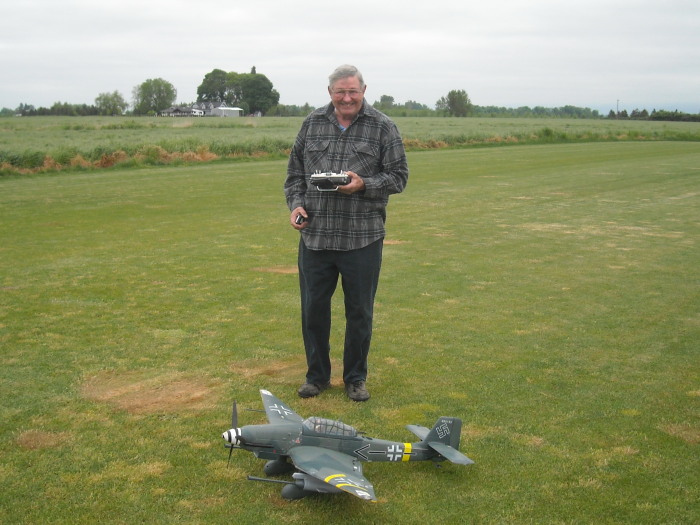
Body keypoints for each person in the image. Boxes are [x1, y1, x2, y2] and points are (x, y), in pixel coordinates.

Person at [284, 65, 409, 401]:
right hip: (316, 237)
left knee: (359, 313)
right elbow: (294, 175)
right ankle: (317, 376)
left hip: (362, 238)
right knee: (313, 310)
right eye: (340, 91)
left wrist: (364, 184)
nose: (347, 98)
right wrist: (296, 205)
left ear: (364, 90)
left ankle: (355, 378)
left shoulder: (383, 126)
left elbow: (399, 177)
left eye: (353, 91)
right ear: (330, 93)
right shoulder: (312, 123)